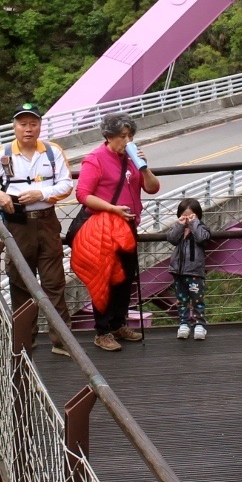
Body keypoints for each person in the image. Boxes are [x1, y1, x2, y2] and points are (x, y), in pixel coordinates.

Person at [0, 103, 75, 355]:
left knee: (54, 282)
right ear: (14, 126)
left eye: (33, 124)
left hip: (47, 220)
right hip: (17, 223)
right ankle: (23, 341)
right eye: (23, 124)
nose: (28, 129)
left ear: (40, 126)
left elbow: (66, 185)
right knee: (20, 282)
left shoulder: (53, 152)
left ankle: (62, 342)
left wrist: (41, 193)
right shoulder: (2, 154)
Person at [71, 112, 160, 352]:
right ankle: (102, 331)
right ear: (108, 137)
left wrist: (144, 168)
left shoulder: (131, 159)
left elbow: (152, 188)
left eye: (130, 135)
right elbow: (83, 195)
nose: (127, 140)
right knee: (105, 279)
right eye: (122, 136)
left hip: (127, 227)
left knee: (125, 278)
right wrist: (112, 209)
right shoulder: (95, 159)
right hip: (103, 230)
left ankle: (119, 323)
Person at [165, 199, 211, 341]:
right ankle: (184, 324)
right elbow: (171, 239)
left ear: (198, 216)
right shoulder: (178, 230)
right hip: (178, 272)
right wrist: (180, 225)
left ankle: (200, 325)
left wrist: (194, 223)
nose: (188, 220)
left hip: (195, 272)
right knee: (181, 300)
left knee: (198, 300)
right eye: (185, 217)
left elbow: (203, 239)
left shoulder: (201, 228)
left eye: (192, 216)